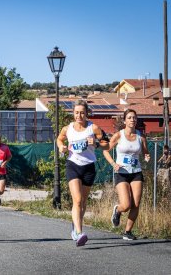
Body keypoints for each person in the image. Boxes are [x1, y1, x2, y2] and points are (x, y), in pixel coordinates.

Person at [57, 100, 109, 246]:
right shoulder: (67, 129)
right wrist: (61, 147)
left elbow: (107, 144)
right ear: (73, 113)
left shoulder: (94, 128)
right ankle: (79, 233)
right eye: (76, 112)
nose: (79, 115)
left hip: (88, 167)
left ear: (86, 114)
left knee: (83, 202)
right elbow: (59, 139)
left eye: (82, 112)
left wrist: (96, 144)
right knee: (78, 200)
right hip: (73, 165)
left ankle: (75, 224)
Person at [103, 109, 150, 241]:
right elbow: (106, 151)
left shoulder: (141, 136)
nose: (132, 120)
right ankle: (118, 210)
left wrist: (147, 156)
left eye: (134, 118)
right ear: (125, 121)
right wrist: (113, 163)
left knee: (136, 204)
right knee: (126, 204)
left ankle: (127, 231)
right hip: (122, 173)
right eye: (129, 117)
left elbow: (145, 151)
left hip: (136, 172)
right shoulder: (119, 135)